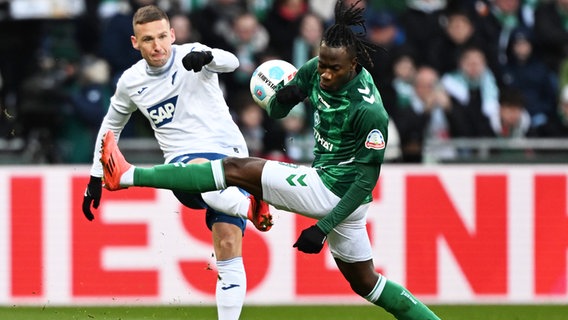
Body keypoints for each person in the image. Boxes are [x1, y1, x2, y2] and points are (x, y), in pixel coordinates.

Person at [98, 2, 441, 319]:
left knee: (236, 168)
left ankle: (128, 175)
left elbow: (365, 183)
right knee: (366, 282)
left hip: (337, 192)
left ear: (354, 65)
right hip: (327, 181)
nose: (324, 75)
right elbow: (277, 110)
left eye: (333, 69)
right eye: (321, 65)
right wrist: (282, 96)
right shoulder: (316, 69)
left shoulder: (370, 112)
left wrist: (321, 229)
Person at [80, 5, 272, 320]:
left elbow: (233, 61)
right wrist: (95, 176)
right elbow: (110, 128)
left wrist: (209, 57)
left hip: (231, 155)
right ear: (134, 43)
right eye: (147, 40)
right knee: (202, 169)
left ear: (172, 34)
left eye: (161, 37)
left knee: (227, 243)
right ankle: (249, 206)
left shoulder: (192, 55)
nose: (157, 46)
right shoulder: (131, 82)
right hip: (184, 166)